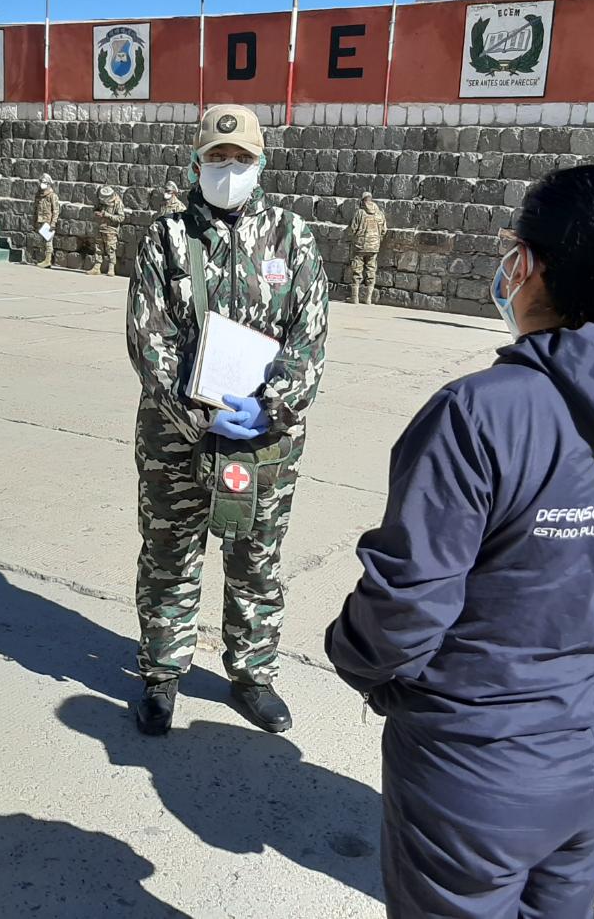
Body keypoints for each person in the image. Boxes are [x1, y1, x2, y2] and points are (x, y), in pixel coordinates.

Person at [325, 165, 594, 919]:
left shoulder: (481, 413)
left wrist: (357, 657)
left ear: (528, 266)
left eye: (512, 252)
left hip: (475, 763)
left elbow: (406, 604)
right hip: (592, 751)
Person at [127, 104, 328, 736]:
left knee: (256, 555)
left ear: (261, 163)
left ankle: (252, 673)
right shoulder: (165, 237)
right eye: (217, 158)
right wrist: (197, 415)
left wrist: (271, 408)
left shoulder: (293, 237)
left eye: (241, 159)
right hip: (176, 434)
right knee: (169, 552)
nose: (228, 169)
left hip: (265, 437)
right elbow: (147, 337)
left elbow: (310, 336)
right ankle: (162, 673)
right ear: (196, 161)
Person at [347, 190, 387, 305]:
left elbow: (352, 229)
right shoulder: (379, 213)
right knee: (371, 270)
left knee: (357, 271)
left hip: (359, 246)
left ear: (362, 200)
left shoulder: (359, 213)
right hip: (374, 246)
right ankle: (368, 298)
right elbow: (384, 230)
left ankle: (355, 298)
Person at [88, 184, 125, 275]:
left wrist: (107, 215)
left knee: (111, 249)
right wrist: (97, 213)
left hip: (111, 229)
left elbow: (121, 218)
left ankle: (111, 268)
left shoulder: (117, 203)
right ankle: (97, 267)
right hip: (100, 227)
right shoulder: (100, 201)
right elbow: (95, 209)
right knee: (98, 248)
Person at [35, 173, 61, 268]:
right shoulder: (38, 195)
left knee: (48, 241)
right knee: (42, 241)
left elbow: (56, 211)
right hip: (40, 220)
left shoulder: (52, 196)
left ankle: (48, 260)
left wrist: (53, 223)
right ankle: (44, 258)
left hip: (48, 221)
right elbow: (35, 209)